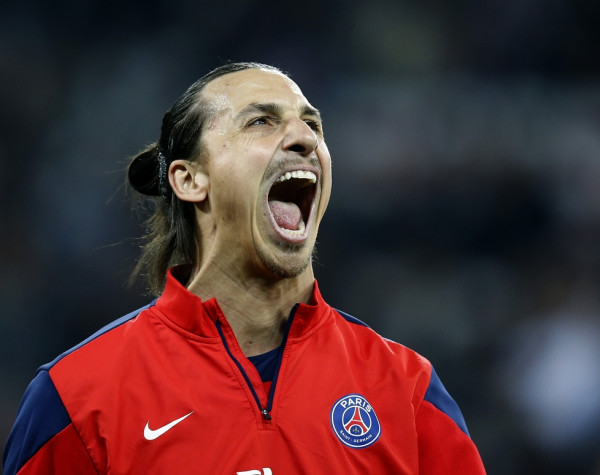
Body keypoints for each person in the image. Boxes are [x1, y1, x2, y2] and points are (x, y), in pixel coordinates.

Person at [3, 62, 486, 474]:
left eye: (312, 126)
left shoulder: (406, 390)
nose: (303, 139)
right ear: (190, 179)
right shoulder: (77, 396)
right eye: (261, 122)